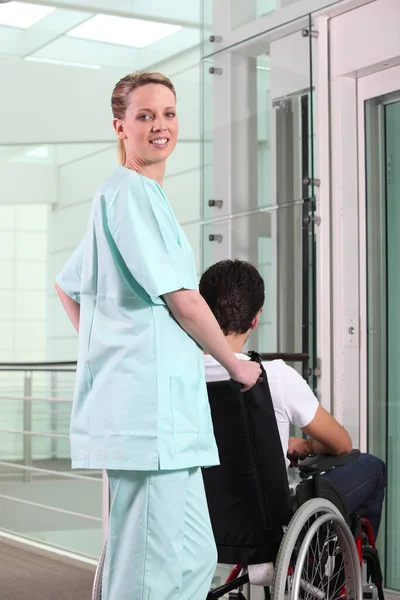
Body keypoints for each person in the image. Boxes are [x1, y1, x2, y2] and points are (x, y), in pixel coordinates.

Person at [55, 72, 261, 600]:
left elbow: (68, 286)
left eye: (168, 114)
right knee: (147, 569)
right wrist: (237, 365)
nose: (160, 125)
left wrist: (108, 345)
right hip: (147, 415)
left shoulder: (134, 197)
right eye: (145, 116)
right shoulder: (128, 192)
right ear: (120, 126)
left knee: (192, 556)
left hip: (164, 416)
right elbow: (184, 300)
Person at [199, 259, 386, 539]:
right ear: (256, 317)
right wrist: (306, 444)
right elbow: (341, 444)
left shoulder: (178, 375)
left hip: (202, 517)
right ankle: (341, 574)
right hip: (267, 525)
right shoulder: (273, 376)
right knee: (370, 466)